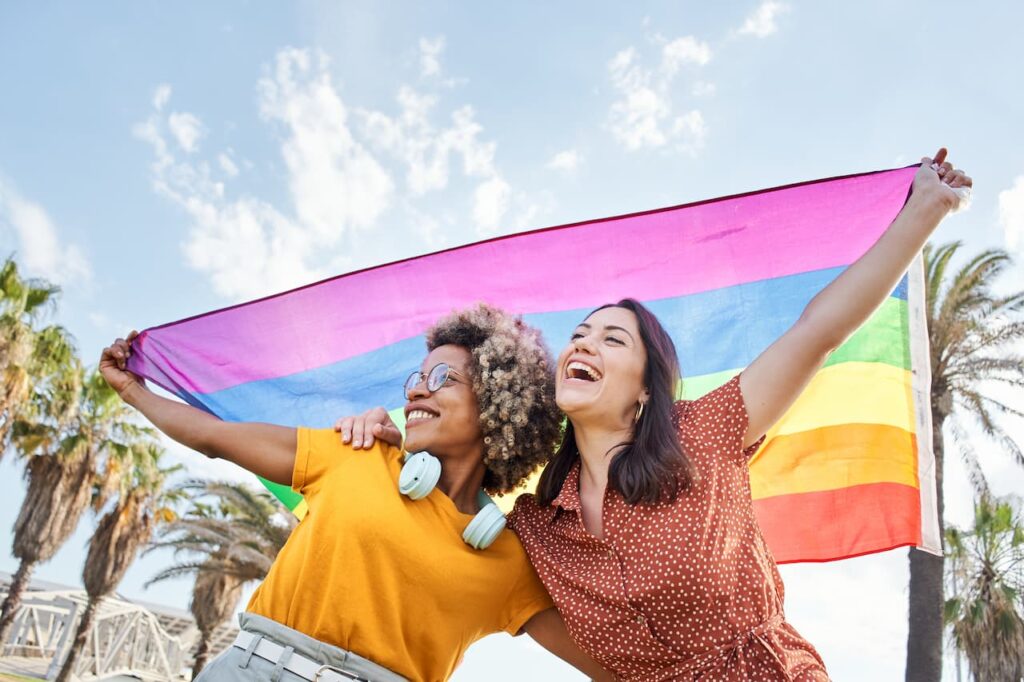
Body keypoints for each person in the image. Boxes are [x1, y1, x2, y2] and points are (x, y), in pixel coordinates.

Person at [341, 151, 971, 680]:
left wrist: (924, 211)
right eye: (581, 334)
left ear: (645, 391)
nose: (583, 343)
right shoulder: (533, 529)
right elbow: (434, 526)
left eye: (612, 339)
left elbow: (818, 330)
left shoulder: (706, 432)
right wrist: (396, 443)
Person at [100, 304, 610, 682]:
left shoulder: (508, 559)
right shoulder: (356, 453)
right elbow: (212, 438)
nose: (415, 390)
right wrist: (131, 391)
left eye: (441, 378)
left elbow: (615, 664)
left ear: (497, 404)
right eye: (416, 377)